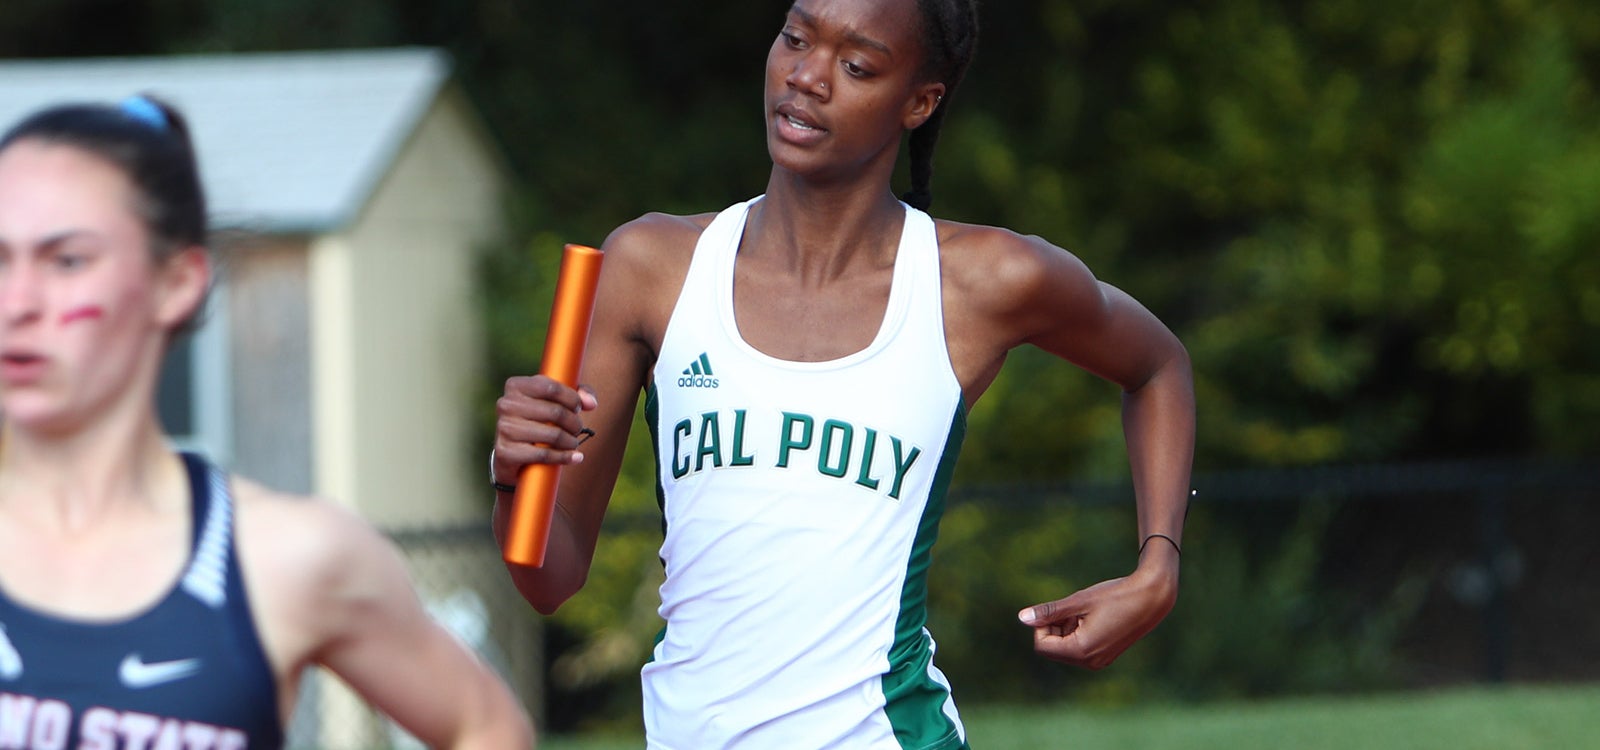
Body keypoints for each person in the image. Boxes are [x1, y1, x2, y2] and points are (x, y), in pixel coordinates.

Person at [492, 0, 1194, 746]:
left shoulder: (978, 282)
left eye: (856, 65)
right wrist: (512, 476)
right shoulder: (650, 268)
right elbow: (549, 578)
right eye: (795, 38)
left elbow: (1158, 366)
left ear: (920, 102)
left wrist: (1158, 568)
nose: (807, 76)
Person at [0, 96, 534, 748]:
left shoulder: (286, 556)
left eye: (67, 260)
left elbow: (483, 726)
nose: (17, 302)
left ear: (177, 282)